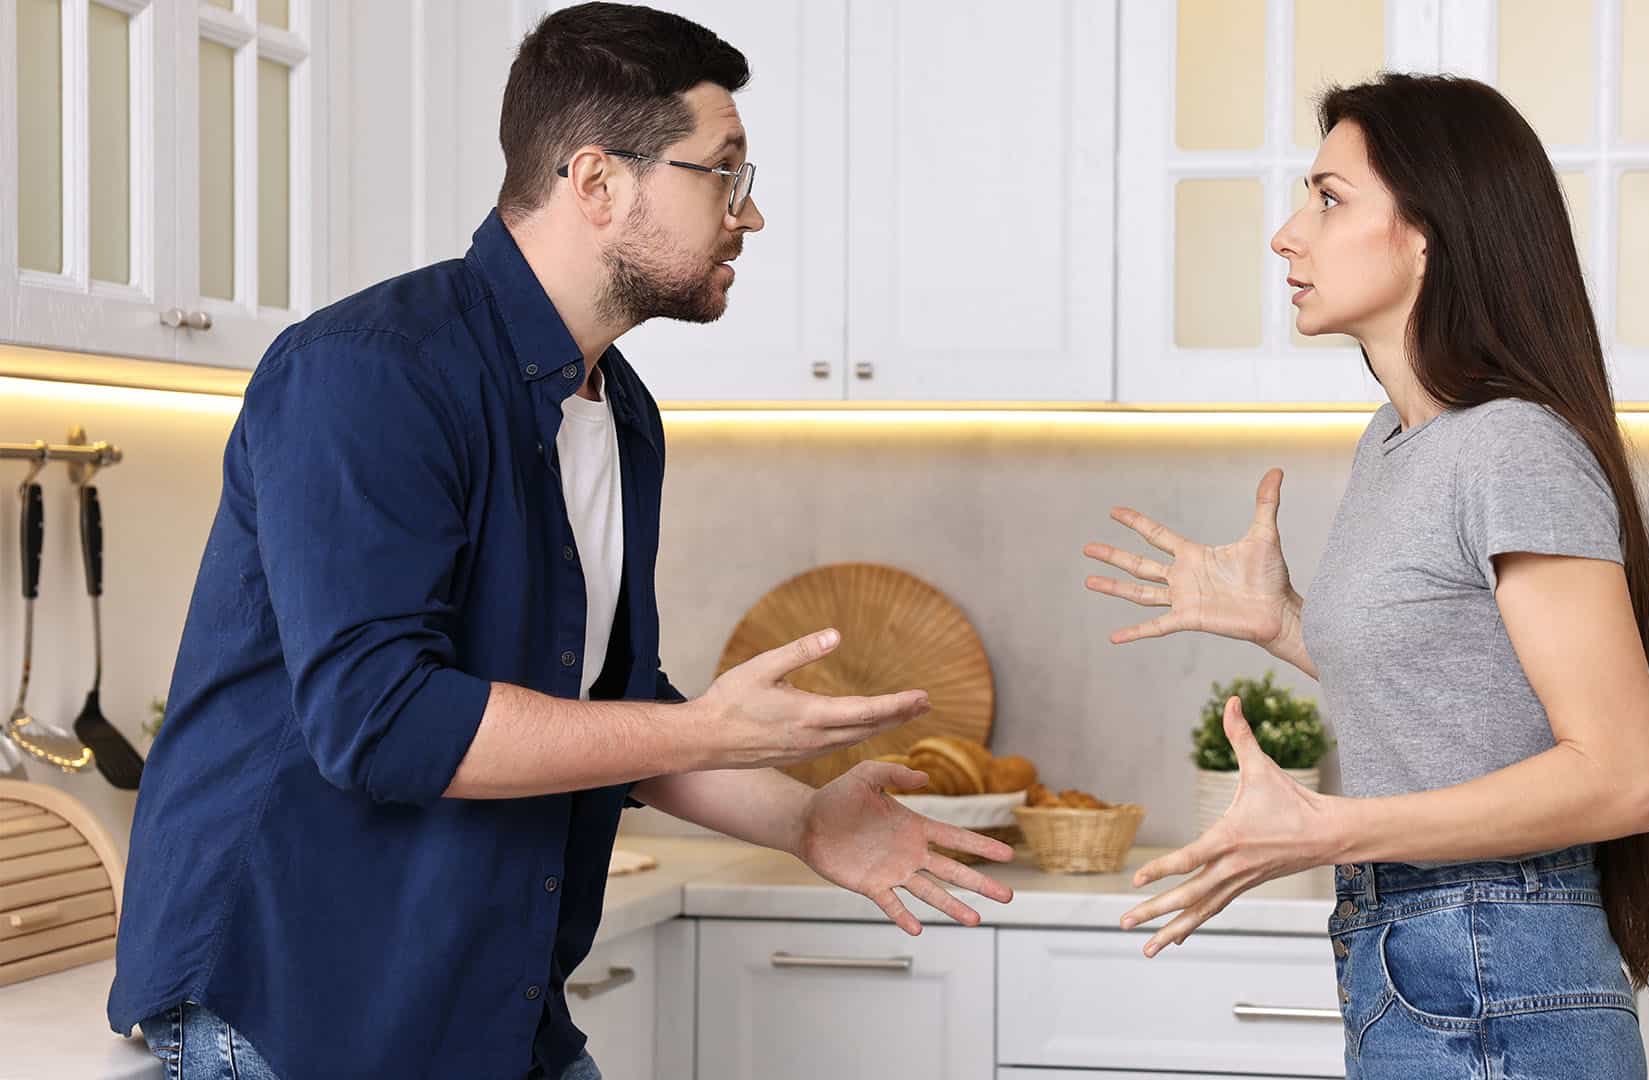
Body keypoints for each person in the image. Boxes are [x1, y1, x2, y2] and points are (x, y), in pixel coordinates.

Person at [108, 6, 1011, 1078]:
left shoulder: (619, 411)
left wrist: (804, 820)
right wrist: (708, 731)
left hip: (481, 1012)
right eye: (724, 173)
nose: (750, 214)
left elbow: (615, 707)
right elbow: (381, 721)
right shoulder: (370, 371)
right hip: (296, 1012)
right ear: (597, 182)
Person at [1083, 73, 1649, 1079]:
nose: (1287, 235)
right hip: (1419, 951)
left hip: (1493, 958)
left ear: (1428, 234)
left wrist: (1334, 828)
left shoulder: (1511, 447)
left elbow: (1623, 780)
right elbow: (1469, 693)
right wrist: (1284, 622)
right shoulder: (1400, 440)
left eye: (1329, 199)